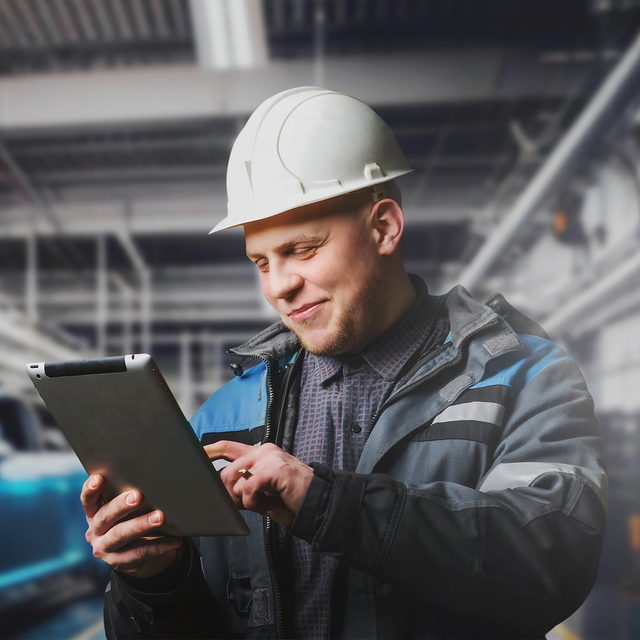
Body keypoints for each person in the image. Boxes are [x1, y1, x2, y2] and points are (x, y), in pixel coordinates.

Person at [81, 87, 607, 639]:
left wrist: (325, 503)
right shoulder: (222, 416)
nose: (279, 287)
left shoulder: (523, 378)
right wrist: (152, 580)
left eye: (303, 249)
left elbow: (556, 558)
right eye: (262, 261)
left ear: (384, 228)